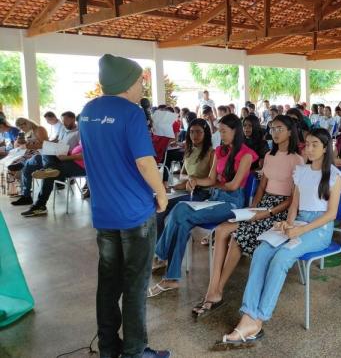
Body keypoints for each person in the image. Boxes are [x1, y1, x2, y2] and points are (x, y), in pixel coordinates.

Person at [213, 128, 341, 350]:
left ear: (325, 148)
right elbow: (294, 205)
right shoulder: (301, 171)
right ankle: (248, 314)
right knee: (262, 250)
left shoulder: (334, 175)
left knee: (282, 257)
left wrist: (299, 231)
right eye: (307, 144)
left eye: (315, 144)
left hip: (319, 229)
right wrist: (288, 223)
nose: (309, 148)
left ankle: (259, 319)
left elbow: (330, 215)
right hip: (300, 223)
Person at [79, 54, 170, 358]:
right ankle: (135, 351)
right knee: (134, 284)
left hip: (103, 213)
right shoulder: (131, 113)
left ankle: (108, 347)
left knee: (108, 283)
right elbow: (145, 162)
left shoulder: (87, 112)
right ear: (129, 82)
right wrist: (161, 193)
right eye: (141, 81)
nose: (142, 87)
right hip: (134, 213)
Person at [192, 115, 303, 317]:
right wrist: (253, 208)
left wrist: (268, 212)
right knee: (221, 229)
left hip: (280, 210)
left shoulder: (297, 160)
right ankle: (213, 287)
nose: (275, 133)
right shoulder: (269, 155)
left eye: (279, 129)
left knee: (237, 237)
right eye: (273, 128)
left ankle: (216, 291)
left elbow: (293, 198)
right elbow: (261, 186)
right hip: (262, 206)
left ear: (290, 131)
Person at [150, 114, 258, 297]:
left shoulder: (246, 154)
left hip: (231, 203)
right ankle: (171, 278)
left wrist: (208, 184)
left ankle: (160, 255)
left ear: (235, 131)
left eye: (224, 131)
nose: (220, 134)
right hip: (215, 198)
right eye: (219, 130)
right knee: (182, 221)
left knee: (180, 208)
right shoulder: (219, 151)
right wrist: (195, 180)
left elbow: (232, 185)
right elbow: (210, 179)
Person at [154, 118, 214, 240]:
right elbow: (182, 175)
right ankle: (158, 246)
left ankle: (163, 248)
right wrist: (175, 186)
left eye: (198, 132)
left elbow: (212, 180)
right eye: (191, 132)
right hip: (187, 189)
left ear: (205, 133)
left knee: (172, 211)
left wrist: (194, 180)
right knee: (159, 206)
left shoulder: (211, 153)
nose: (194, 135)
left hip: (203, 194)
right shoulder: (189, 150)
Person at [20, 142, 87, 217]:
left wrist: (67, 157)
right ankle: (26, 193)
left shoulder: (92, 138)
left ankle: (40, 205)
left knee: (50, 175)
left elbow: (88, 155)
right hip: (68, 160)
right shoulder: (82, 139)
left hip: (81, 167)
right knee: (46, 150)